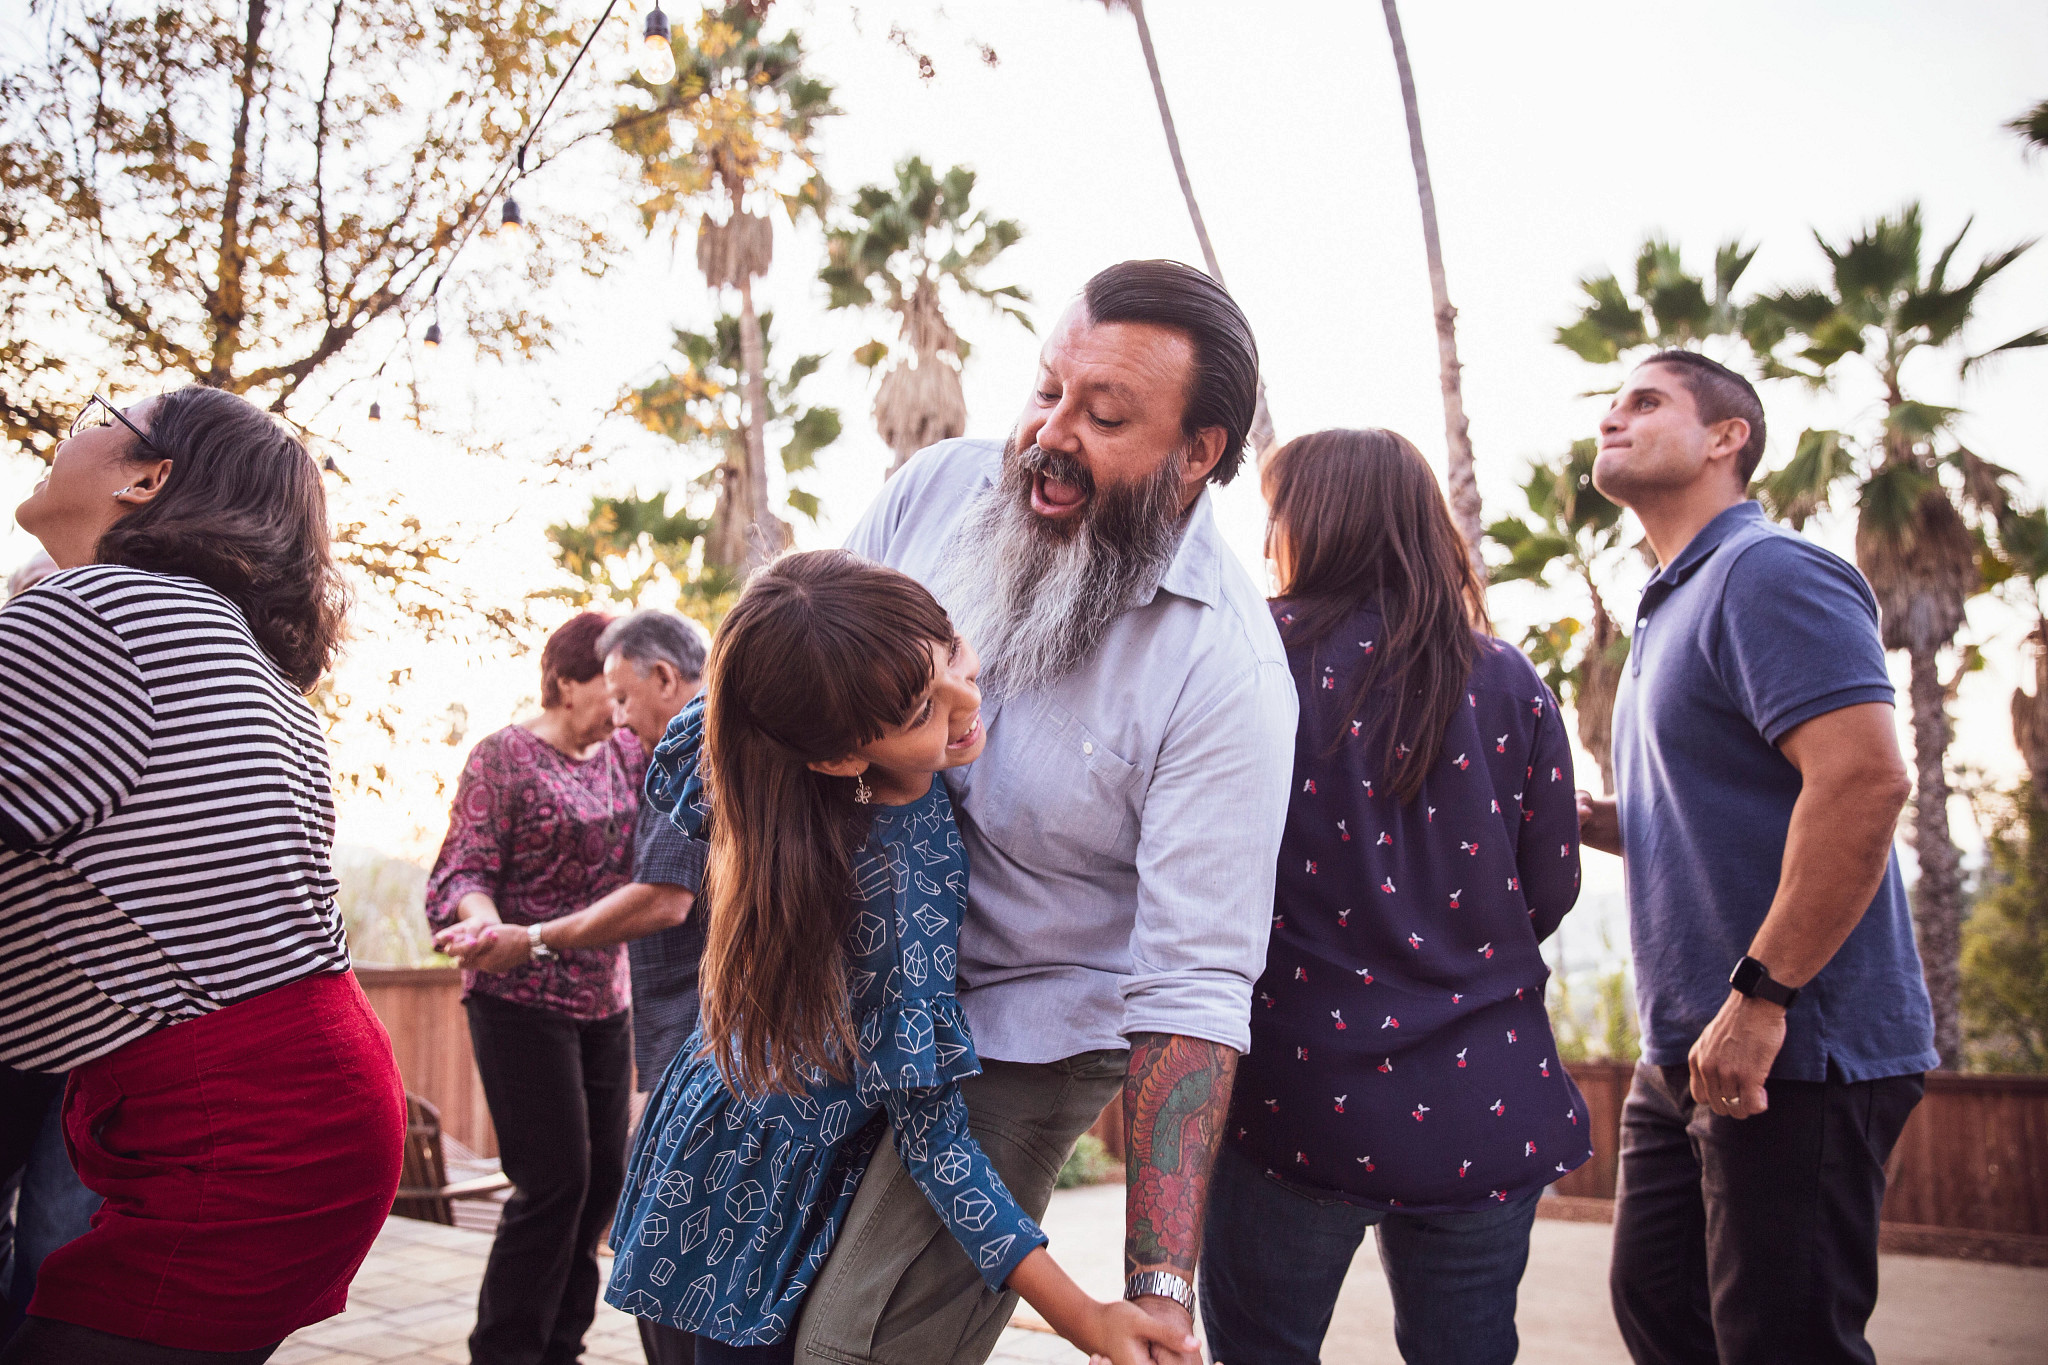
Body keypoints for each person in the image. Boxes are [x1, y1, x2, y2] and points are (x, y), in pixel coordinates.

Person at [790, 259, 1298, 1365]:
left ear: (1196, 455)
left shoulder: (1225, 677)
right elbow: (799, 678)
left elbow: (1193, 983)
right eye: (1045, 389)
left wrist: (1156, 1288)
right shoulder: (935, 489)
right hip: (844, 975)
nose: (1046, 435)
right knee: (742, 1298)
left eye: (1104, 415)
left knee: (851, 1346)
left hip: (1021, 1026)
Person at [605, 550, 1196, 1365]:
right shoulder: (899, 888)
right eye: (922, 707)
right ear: (842, 754)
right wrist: (1084, 1317)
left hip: (704, 1136)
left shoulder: (773, 770)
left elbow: (699, 739)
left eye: (952, 647)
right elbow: (934, 1139)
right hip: (752, 1221)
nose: (967, 698)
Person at [0, 388, 404, 1364]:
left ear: (148, 478)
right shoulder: (244, 649)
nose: (75, 422)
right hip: (305, 1107)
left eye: (106, 411)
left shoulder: (100, 608)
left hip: (239, 1131)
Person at [1199, 428, 1591, 1365]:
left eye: (1277, 516)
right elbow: (1553, 882)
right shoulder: (1507, 678)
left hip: (1300, 1094)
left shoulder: (1250, 659)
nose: (1267, 542)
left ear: (1311, 524)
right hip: (1484, 1095)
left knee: (1260, 1352)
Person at [1577, 351, 1934, 1365]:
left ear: (1725, 437)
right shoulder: (1666, 598)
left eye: (1644, 402)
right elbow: (1732, 802)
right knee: (1660, 1314)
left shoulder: (1765, 571)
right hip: (1683, 1045)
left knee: (1781, 1345)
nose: (1613, 418)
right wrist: (1604, 819)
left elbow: (1863, 781)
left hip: (1790, 1041)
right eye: (1608, 405)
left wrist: (1762, 997)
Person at [434, 609, 708, 1365]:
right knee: (553, 1182)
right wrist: (490, 927)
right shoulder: (505, 758)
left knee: (598, 1188)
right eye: (606, 693)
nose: (619, 715)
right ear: (565, 681)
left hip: (603, 999)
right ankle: (506, 1350)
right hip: (519, 998)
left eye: (627, 697)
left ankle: (562, 1345)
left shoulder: (626, 755)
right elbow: (464, 867)